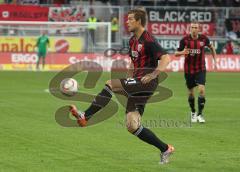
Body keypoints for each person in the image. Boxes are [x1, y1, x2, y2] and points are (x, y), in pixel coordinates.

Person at [70, 8, 174, 164]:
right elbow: (133, 62)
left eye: (130, 19)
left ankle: (86, 115)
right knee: (132, 125)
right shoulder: (132, 41)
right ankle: (165, 149)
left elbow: (166, 58)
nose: (127, 22)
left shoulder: (149, 40)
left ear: (139, 21)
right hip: (137, 83)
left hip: (147, 82)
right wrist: (128, 81)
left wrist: (153, 75)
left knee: (110, 84)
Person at [175, 22, 217, 123]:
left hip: (201, 68)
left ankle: (200, 114)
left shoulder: (203, 39)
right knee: (191, 93)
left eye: (196, 27)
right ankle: (193, 112)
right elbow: (176, 53)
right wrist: (182, 52)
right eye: (192, 27)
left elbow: (211, 47)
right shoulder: (184, 40)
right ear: (190, 29)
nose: (194, 29)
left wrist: (215, 60)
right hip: (189, 70)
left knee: (202, 90)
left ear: (199, 29)